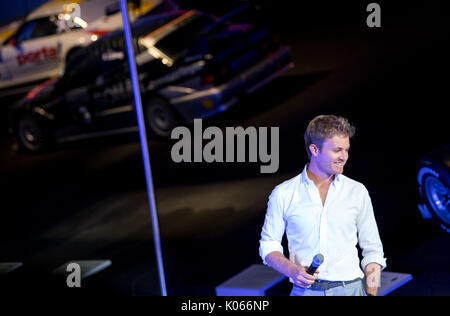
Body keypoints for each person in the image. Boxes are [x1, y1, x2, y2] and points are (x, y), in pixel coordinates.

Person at [259, 115, 386, 296]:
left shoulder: (357, 191)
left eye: (346, 150)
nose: (344, 157)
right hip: (305, 292)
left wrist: (372, 293)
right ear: (314, 150)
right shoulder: (284, 193)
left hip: (351, 290)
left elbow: (373, 250)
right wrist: (292, 270)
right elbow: (269, 245)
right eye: (337, 150)